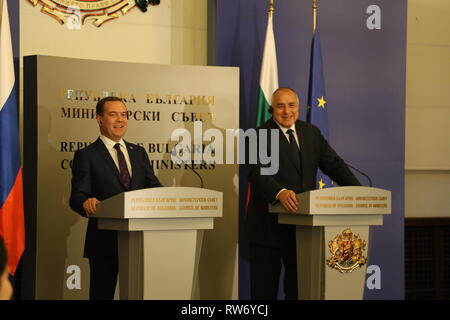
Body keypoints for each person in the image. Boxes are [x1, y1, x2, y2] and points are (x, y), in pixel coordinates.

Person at [245, 87, 361, 299]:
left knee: (299, 292)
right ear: (272, 109)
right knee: (263, 294)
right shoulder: (257, 136)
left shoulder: (311, 133)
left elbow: (334, 165)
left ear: (298, 107)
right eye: (280, 106)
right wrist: (279, 192)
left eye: (291, 105)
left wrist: (359, 192)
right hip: (267, 230)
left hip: (303, 231)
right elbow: (256, 172)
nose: (286, 111)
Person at [69, 96, 162, 300]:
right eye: (113, 114)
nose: (120, 120)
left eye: (124, 114)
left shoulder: (138, 153)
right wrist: (87, 202)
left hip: (140, 241)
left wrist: (166, 198)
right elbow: (77, 195)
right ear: (99, 119)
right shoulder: (87, 155)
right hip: (104, 242)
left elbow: (154, 187)